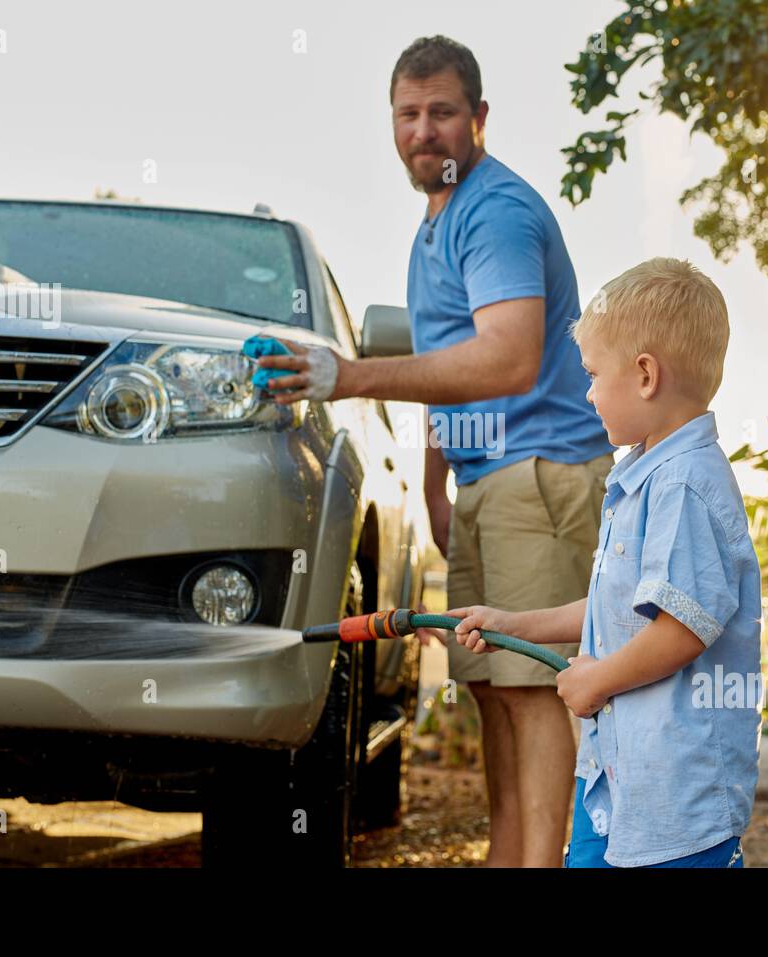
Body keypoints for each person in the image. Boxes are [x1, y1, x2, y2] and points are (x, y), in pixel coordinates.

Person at [255, 35, 614, 867]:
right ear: (392, 124)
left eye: (443, 112)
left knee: (536, 695)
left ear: (478, 119)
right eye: (409, 114)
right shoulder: (434, 225)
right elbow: (447, 365)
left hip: (544, 473)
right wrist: (434, 486)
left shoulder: (495, 213)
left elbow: (509, 355)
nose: (425, 130)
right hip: (490, 483)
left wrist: (348, 376)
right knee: (493, 692)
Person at [451, 258, 761, 868]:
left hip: (677, 807)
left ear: (645, 375)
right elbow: (618, 609)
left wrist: (596, 680)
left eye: (593, 374)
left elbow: (685, 628)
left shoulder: (687, 484)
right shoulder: (643, 479)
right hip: (618, 786)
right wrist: (513, 623)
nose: (587, 392)